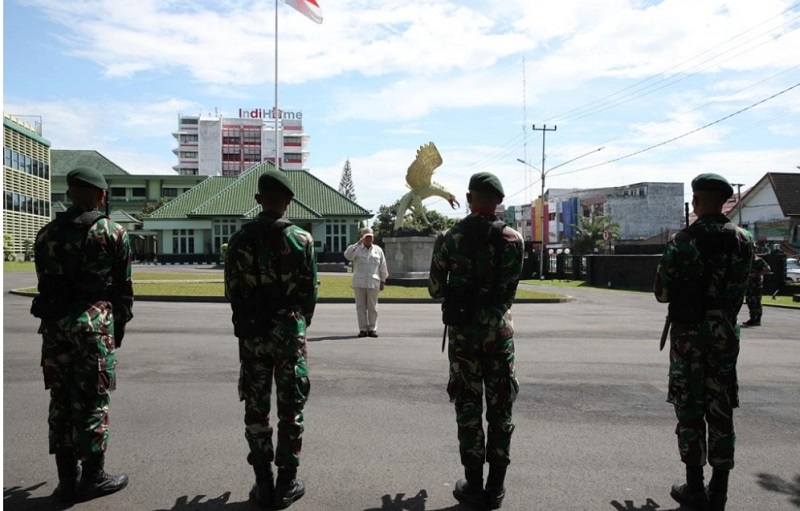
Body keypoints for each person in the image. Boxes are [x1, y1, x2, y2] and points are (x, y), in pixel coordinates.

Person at [31, 167, 133, 504]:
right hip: (93, 327)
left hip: (55, 328)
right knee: (92, 399)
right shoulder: (111, 232)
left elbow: (46, 283)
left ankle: (66, 479)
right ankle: (93, 476)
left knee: (60, 399)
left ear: (71, 194)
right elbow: (123, 290)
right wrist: (116, 329)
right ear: (100, 195)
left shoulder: (46, 235)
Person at [654, 173, 753, 511]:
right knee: (721, 410)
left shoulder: (682, 240)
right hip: (725, 333)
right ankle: (719, 491)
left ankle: (694, 487)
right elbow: (739, 292)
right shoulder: (743, 239)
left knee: (690, 409)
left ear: (697, 201)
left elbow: (662, 293)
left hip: (689, 335)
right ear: (725, 201)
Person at [428, 172, 524, 510]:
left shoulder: (450, 238)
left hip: (464, 334)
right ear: (498, 202)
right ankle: (496, 487)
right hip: (499, 331)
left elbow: (436, 289)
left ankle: (472, 483)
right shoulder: (514, 239)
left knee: (468, 406)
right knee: (501, 408)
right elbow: (510, 290)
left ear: (470, 199)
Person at [224, 170, 318, 510]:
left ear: (258, 200)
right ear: (289, 201)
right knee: (291, 405)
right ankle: (287, 481)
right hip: (288, 330)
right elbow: (309, 295)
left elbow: (231, 290)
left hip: (252, 332)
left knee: (256, 405)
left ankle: (263, 482)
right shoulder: (301, 240)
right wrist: (295, 322)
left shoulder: (238, 240)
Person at [343, 227, 388, 338]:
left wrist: (383, 280)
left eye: (370, 237)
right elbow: (347, 255)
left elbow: (383, 266)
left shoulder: (378, 250)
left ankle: (372, 329)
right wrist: (359, 243)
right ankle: (363, 329)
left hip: (373, 282)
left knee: (373, 307)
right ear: (362, 237)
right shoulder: (356, 249)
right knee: (360, 307)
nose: (368, 239)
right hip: (359, 283)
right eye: (366, 236)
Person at [742, 254, 771, 327]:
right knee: (749, 301)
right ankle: (752, 318)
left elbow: (767, 269)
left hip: (757, 285)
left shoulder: (759, 260)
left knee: (757, 302)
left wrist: (758, 274)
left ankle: (758, 319)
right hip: (748, 285)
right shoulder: (747, 259)